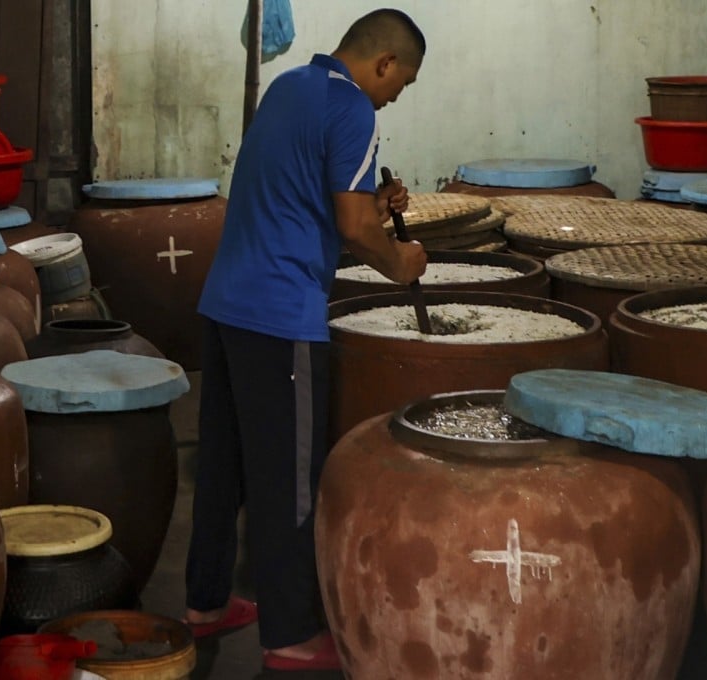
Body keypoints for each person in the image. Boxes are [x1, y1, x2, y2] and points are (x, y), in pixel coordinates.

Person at [182, 8, 427, 672]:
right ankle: (289, 631)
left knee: (223, 468)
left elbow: (301, 197)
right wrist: (402, 261)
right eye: (399, 84)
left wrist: (379, 205)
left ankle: (205, 604)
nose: (394, 97)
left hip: (226, 304)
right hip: (280, 315)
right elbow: (351, 226)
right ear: (383, 63)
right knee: (289, 480)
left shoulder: (290, 87)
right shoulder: (354, 111)